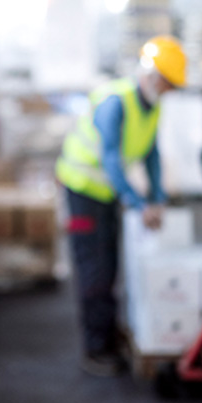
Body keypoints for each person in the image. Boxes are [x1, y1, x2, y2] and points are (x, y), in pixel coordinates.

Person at [55, 36, 187, 376]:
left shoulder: (151, 106)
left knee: (111, 265)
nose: (170, 92)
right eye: (169, 84)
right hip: (83, 192)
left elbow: (151, 153)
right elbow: (111, 159)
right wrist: (138, 202)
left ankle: (111, 336)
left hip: (108, 193)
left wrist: (157, 196)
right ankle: (96, 349)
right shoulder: (115, 102)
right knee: (94, 270)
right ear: (154, 76)